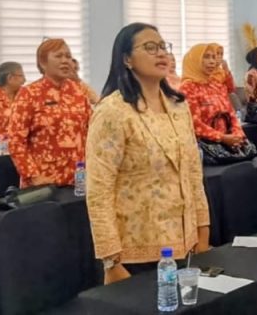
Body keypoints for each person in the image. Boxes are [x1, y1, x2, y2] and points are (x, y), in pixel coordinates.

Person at [87, 23, 209, 284]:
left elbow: (193, 174)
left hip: (186, 243)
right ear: (127, 59)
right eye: (150, 47)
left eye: (163, 46)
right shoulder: (113, 111)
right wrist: (111, 261)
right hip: (135, 253)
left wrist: (203, 232)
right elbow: (99, 190)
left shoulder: (178, 106)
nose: (161, 53)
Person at [7, 38, 92, 187]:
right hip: (43, 183)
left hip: (78, 181)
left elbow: (92, 129)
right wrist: (33, 176)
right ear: (43, 62)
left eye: (68, 56)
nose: (65, 61)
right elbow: (16, 140)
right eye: (58, 56)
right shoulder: (29, 93)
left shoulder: (78, 91)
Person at [179, 44, 250, 151]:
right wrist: (222, 138)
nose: (212, 61)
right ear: (195, 60)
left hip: (229, 145)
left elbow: (231, 114)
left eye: (213, 57)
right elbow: (194, 124)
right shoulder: (188, 87)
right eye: (206, 57)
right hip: (205, 148)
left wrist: (238, 134)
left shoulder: (216, 84)